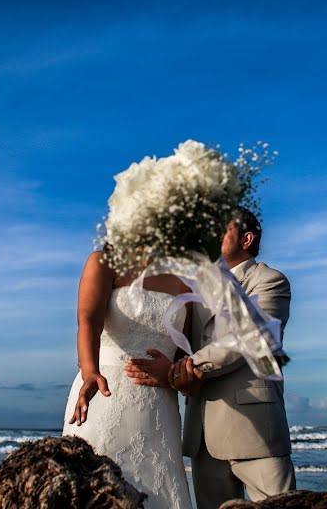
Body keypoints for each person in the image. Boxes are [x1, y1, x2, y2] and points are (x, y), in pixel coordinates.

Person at [126, 209, 295, 508]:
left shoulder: (269, 281)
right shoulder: (193, 290)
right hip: (202, 437)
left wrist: (178, 372)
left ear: (247, 238)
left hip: (257, 432)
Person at [62, 249, 194, 509]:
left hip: (159, 410)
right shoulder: (104, 261)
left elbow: (184, 354)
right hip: (104, 392)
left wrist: (173, 376)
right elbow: (88, 320)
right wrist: (90, 373)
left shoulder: (186, 277)